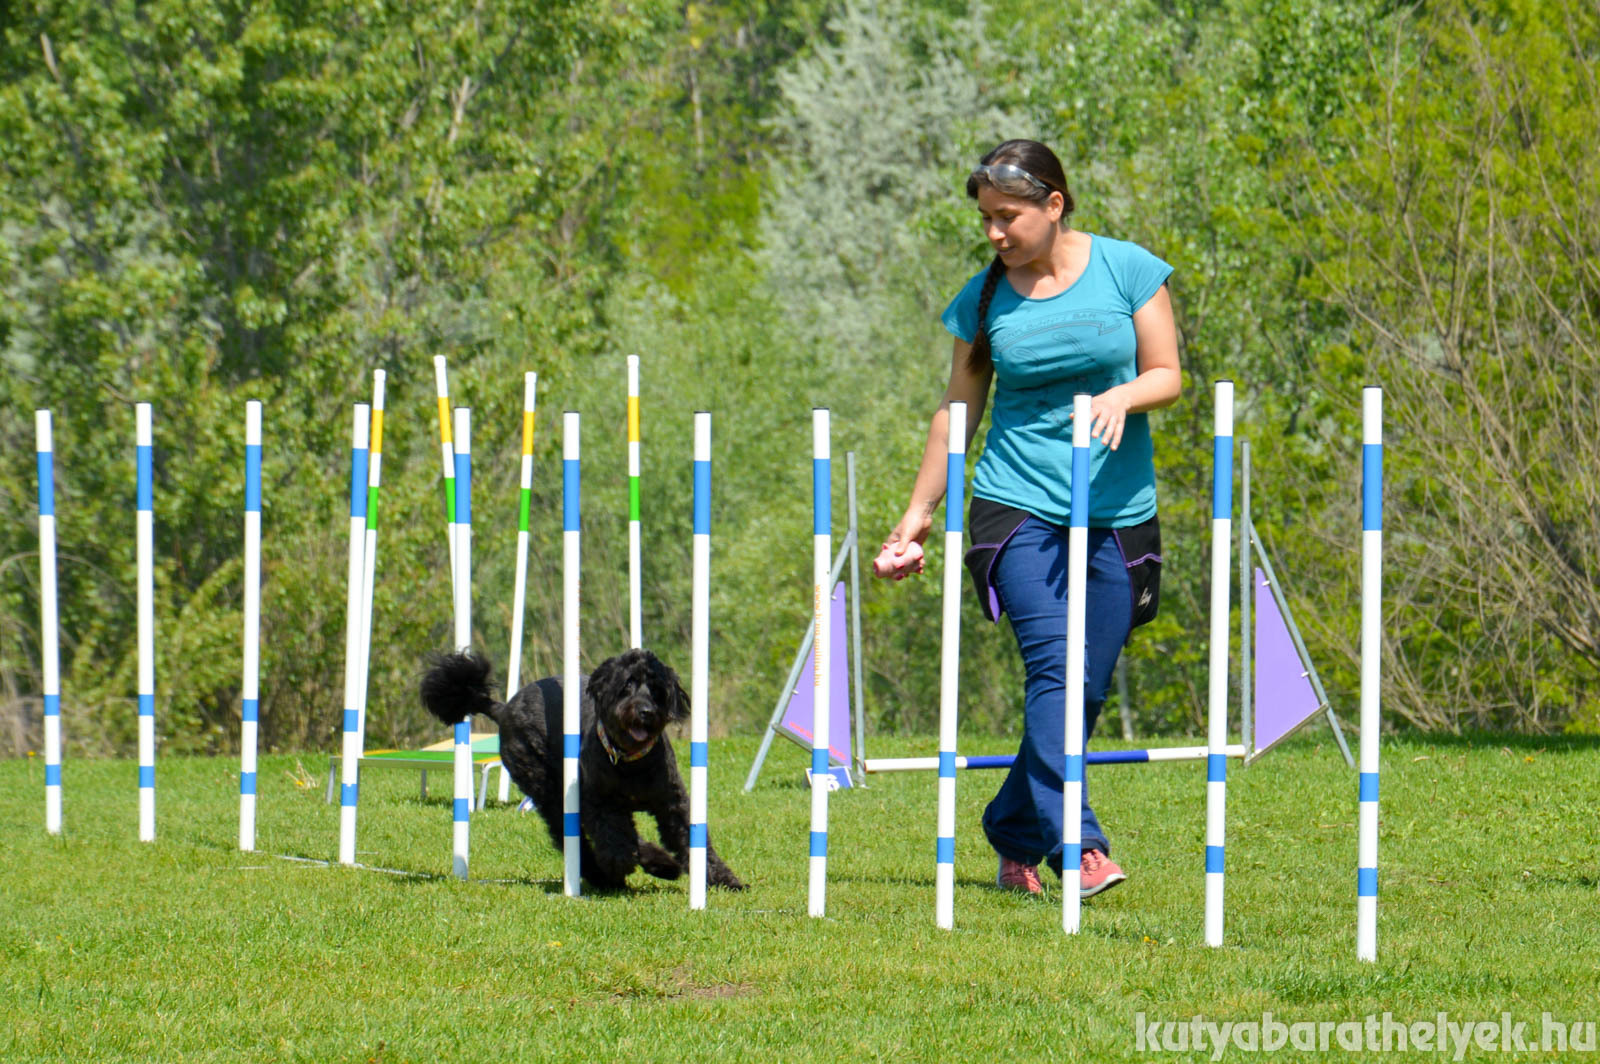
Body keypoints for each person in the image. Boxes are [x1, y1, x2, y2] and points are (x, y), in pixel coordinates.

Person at [876, 138, 1181, 898]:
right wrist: (914, 518)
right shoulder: (983, 301)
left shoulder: (1128, 269)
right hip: (1015, 505)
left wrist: (1121, 396)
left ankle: (1012, 825)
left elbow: (1168, 373)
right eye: (985, 219)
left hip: (1117, 507)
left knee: (1085, 689)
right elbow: (958, 413)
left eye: (1007, 217)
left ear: (1054, 204)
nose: (994, 234)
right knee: (1054, 666)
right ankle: (1078, 845)